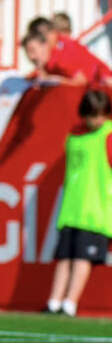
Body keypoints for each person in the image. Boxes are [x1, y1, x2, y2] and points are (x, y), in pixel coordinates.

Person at [44, 90, 112, 317]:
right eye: (92, 115)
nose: (96, 120)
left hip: (96, 210)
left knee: (83, 258)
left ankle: (69, 304)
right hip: (71, 208)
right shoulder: (74, 135)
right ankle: (54, 302)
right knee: (65, 257)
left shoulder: (108, 135)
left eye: (100, 115)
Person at [22, 17, 112, 86]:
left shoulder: (62, 54)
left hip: (101, 86)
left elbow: (81, 81)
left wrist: (53, 80)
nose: (31, 56)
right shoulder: (58, 47)